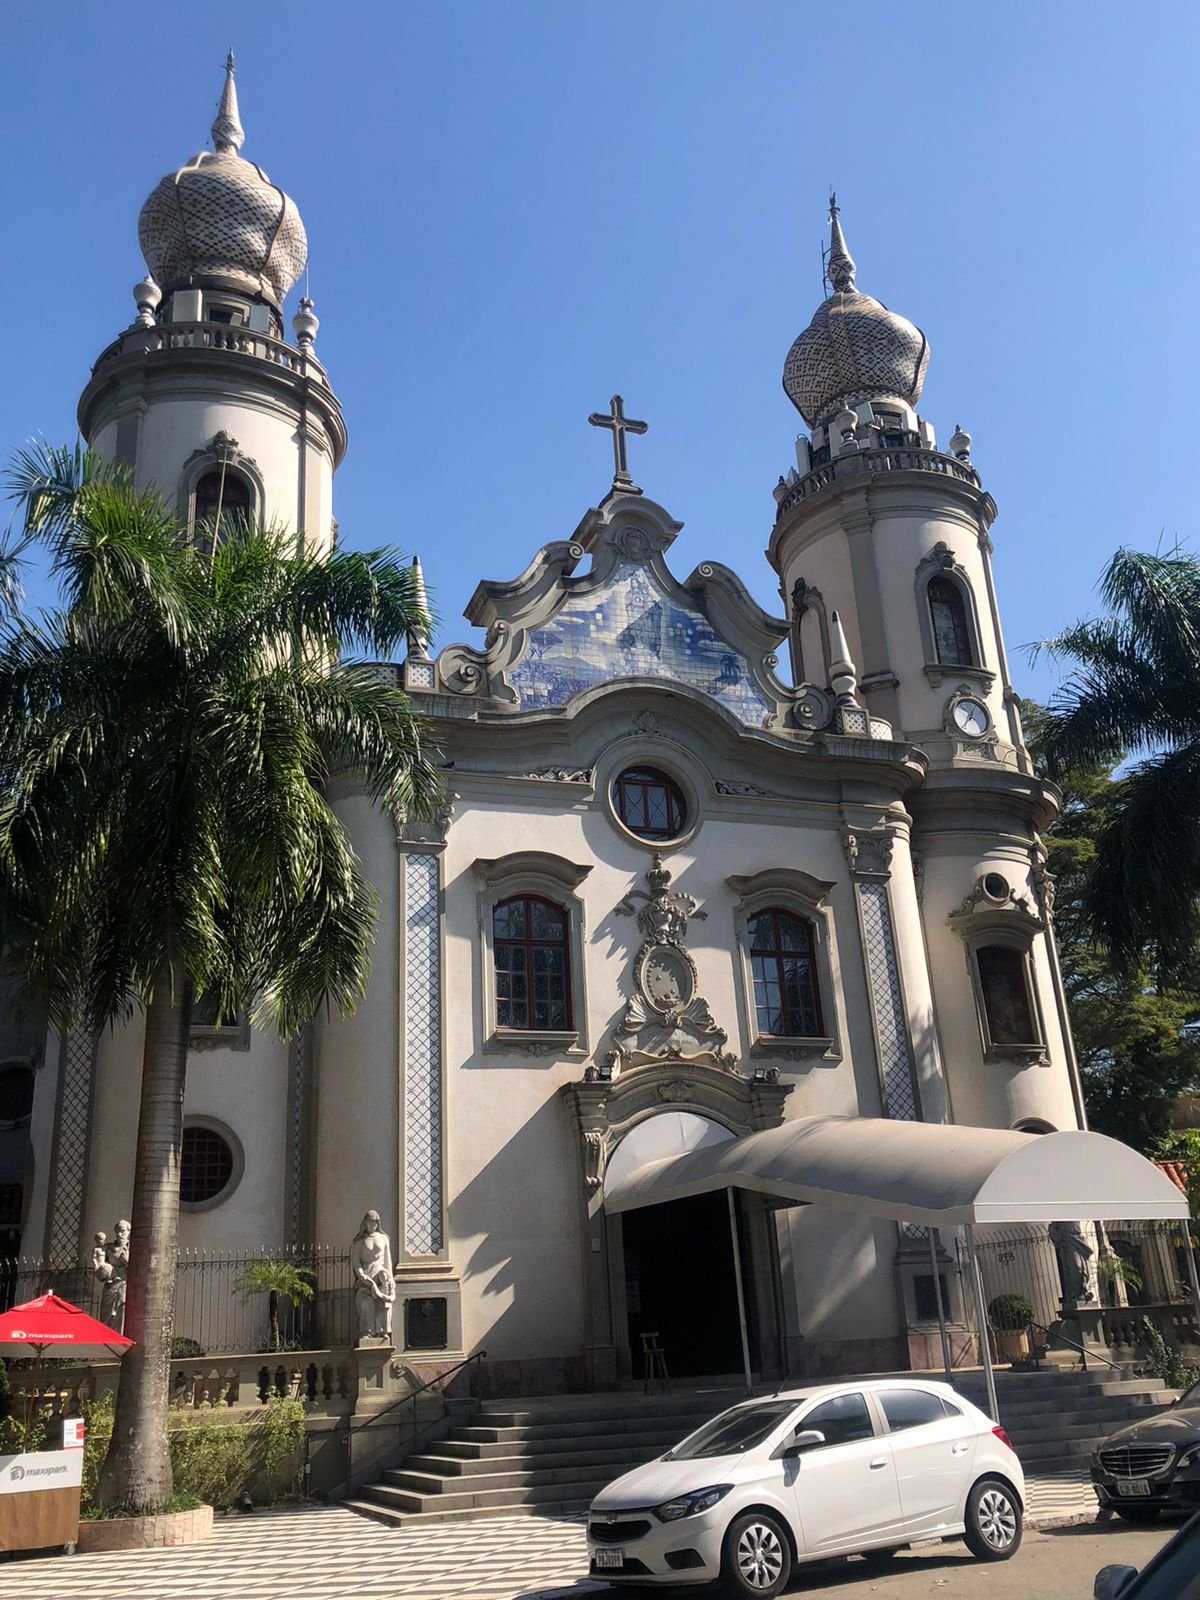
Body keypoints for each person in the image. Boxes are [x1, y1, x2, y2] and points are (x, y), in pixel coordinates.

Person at [352, 1210, 396, 1342]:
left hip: (381, 1276)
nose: (373, 1226)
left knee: (383, 1304)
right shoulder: (359, 1242)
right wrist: (361, 1275)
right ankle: (367, 1332)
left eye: (376, 1223)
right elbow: (356, 1261)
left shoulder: (383, 1239)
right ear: (365, 1223)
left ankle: (382, 1331)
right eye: (371, 1223)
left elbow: (388, 1260)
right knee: (365, 1304)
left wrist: (391, 1279)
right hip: (366, 1277)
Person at [92, 1218, 131, 1332]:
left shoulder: (132, 1248)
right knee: (107, 1312)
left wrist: (126, 1261)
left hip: (124, 1283)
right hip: (110, 1285)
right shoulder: (108, 1248)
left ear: (128, 1232)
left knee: (120, 1310)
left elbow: (137, 1268)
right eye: (117, 1231)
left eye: (123, 1231)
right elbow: (99, 1260)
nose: (120, 1234)